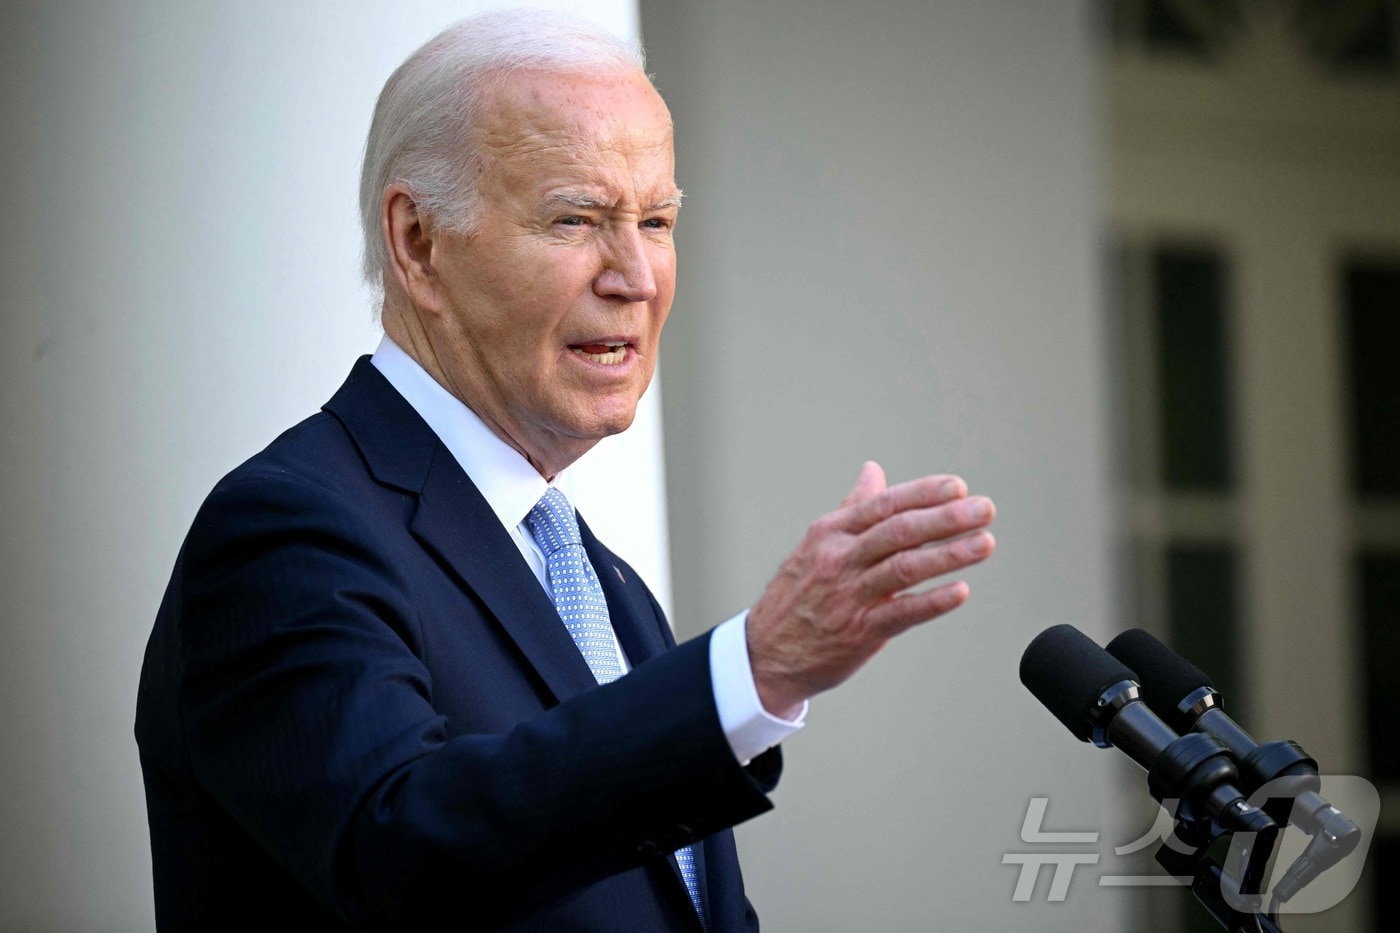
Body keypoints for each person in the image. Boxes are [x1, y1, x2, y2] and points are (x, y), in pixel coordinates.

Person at [135, 9, 997, 931]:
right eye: (576, 218)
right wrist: (749, 672)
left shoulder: (604, 583)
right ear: (419, 243)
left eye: (657, 220)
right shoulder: (289, 529)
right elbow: (400, 853)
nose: (635, 275)